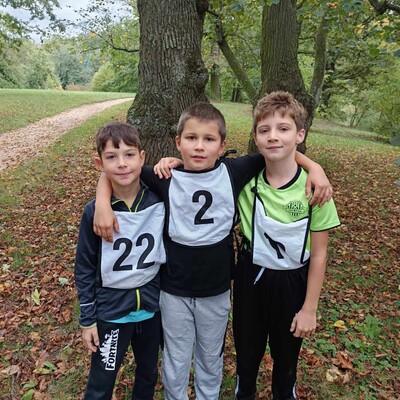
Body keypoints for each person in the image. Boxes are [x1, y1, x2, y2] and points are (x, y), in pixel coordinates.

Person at [93, 103, 332, 400]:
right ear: (178, 142)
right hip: (173, 290)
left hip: (216, 291)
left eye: (209, 139)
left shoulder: (234, 171)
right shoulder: (164, 176)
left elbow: (279, 151)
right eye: (191, 138)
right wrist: (102, 202)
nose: (199, 146)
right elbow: (119, 170)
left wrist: (315, 168)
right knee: (175, 358)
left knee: (210, 356)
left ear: (222, 146)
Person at [233, 91, 340, 400]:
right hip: (251, 278)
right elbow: (202, 168)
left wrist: (310, 308)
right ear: (255, 138)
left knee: (286, 363)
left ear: (299, 135)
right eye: (264, 130)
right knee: (247, 357)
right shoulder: (244, 182)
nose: (273, 136)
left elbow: (319, 254)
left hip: (293, 283)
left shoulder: (315, 190)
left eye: (283, 128)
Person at [74, 122, 166, 400]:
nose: (122, 163)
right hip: (112, 313)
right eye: (112, 157)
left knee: (148, 374)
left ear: (142, 157)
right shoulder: (94, 212)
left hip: (151, 310)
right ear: (99, 164)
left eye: (129, 155)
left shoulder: (160, 199)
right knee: (103, 379)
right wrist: (88, 319)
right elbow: (84, 267)